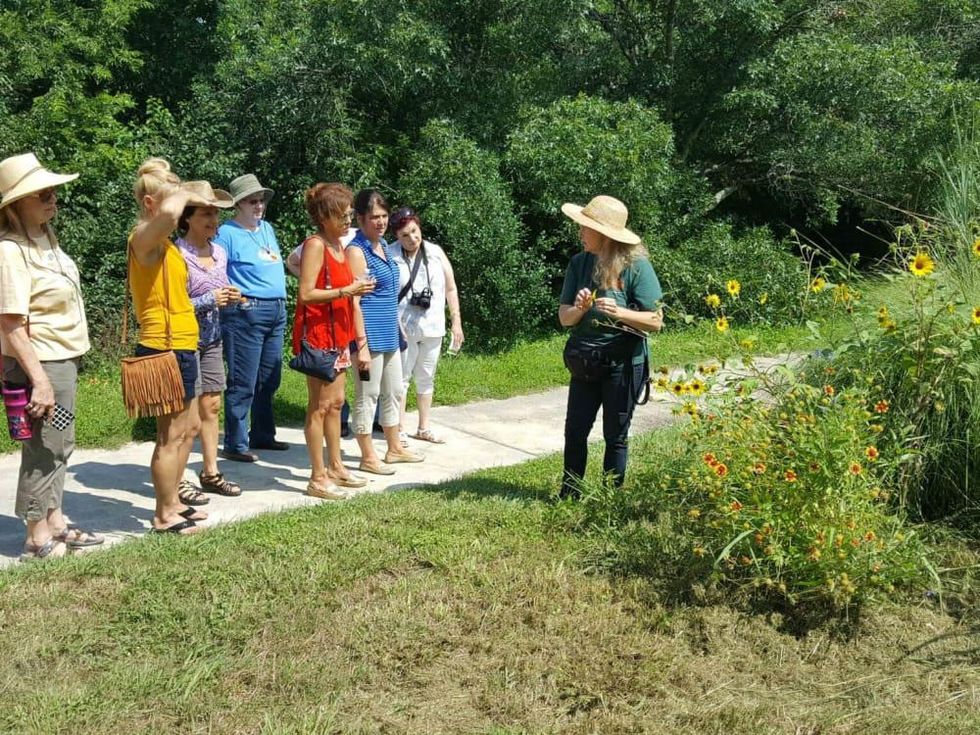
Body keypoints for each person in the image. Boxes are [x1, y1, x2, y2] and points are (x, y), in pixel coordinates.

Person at [0, 153, 103, 559]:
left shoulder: (44, 240)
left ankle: (55, 520)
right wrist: (38, 379)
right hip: (40, 365)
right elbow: (10, 324)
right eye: (42, 193)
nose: (52, 198)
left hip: (63, 360)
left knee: (62, 442)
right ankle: (35, 535)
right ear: (16, 204)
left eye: (53, 191)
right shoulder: (10, 251)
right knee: (45, 447)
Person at [558, 195, 663, 499]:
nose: (580, 232)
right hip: (585, 361)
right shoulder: (579, 263)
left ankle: (610, 498)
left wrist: (620, 313)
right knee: (575, 431)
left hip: (624, 364)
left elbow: (656, 320)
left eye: (585, 227)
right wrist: (579, 309)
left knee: (615, 436)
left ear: (603, 234)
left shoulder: (636, 267)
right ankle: (569, 494)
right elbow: (565, 319)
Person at [129, 157, 210, 534]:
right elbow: (172, 211)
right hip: (161, 347)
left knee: (190, 427)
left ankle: (174, 501)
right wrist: (179, 194)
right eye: (170, 200)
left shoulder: (168, 245)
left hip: (182, 343)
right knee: (170, 435)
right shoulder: (142, 239)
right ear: (150, 205)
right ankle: (163, 515)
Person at [294, 183, 375, 498]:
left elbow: (344, 291)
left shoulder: (340, 246)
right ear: (323, 216)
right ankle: (317, 476)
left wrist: (355, 288)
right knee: (319, 406)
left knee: (337, 404)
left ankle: (337, 466)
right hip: (317, 336)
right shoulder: (315, 245)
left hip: (338, 336)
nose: (347, 220)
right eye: (341, 215)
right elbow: (305, 293)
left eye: (349, 214)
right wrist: (346, 291)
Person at [346, 189, 423, 474]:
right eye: (373, 217)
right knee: (367, 395)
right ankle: (367, 456)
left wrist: (399, 328)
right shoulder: (357, 250)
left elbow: (389, 294)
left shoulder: (383, 247)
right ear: (360, 218)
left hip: (390, 333)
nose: (380, 222)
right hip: (368, 336)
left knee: (393, 392)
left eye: (383, 216)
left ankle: (394, 448)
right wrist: (361, 345)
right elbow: (354, 300)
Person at [176, 181, 244, 498]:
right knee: (187, 415)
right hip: (185, 341)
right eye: (206, 213)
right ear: (187, 217)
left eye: (215, 214)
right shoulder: (176, 254)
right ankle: (176, 479)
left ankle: (210, 472)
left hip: (213, 338)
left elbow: (222, 289)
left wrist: (232, 296)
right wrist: (209, 300)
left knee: (212, 406)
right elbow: (174, 306)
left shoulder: (220, 252)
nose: (213, 220)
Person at [214, 174, 288, 462]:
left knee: (269, 378)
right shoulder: (227, 234)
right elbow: (218, 272)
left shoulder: (266, 228)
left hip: (275, 310)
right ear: (237, 205)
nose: (259, 206)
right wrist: (240, 298)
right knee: (243, 380)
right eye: (252, 201)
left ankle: (262, 434)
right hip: (246, 311)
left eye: (261, 201)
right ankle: (235, 441)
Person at [389, 207, 464, 444]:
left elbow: (451, 288)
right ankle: (399, 429)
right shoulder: (390, 255)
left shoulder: (435, 252)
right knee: (401, 378)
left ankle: (423, 427)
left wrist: (457, 322)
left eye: (414, 231)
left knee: (426, 376)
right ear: (396, 237)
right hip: (403, 326)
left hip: (432, 325)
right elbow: (385, 294)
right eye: (404, 235)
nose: (412, 239)